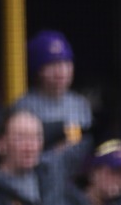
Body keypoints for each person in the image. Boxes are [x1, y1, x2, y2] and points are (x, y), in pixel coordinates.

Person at [15, 30, 91, 160]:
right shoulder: (23, 107)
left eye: (66, 63)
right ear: (38, 70)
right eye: (53, 65)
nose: (61, 71)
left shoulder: (80, 104)